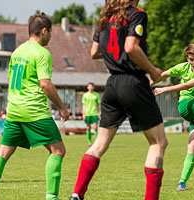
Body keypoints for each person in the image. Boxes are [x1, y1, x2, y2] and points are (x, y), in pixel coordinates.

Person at [69, 1, 167, 199]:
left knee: (99, 144)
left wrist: (114, 54)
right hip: (133, 83)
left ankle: (77, 194)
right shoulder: (136, 14)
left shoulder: (106, 17)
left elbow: (94, 52)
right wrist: (153, 70)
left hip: (112, 84)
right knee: (158, 142)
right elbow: (131, 47)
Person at [0, 13, 69, 200]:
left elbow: (10, 79)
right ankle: (52, 197)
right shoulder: (42, 53)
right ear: (44, 31)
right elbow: (45, 84)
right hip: (34, 111)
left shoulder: (17, 51)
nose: (51, 36)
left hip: (14, 110)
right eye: (51, 32)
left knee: (3, 152)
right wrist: (62, 107)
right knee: (58, 150)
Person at [151, 44, 194, 191]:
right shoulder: (183, 67)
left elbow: (187, 85)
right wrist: (147, 85)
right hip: (186, 105)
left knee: (193, 145)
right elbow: (164, 74)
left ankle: (182, 182)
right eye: (192, 59)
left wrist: (165, 89)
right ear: (187, 59)